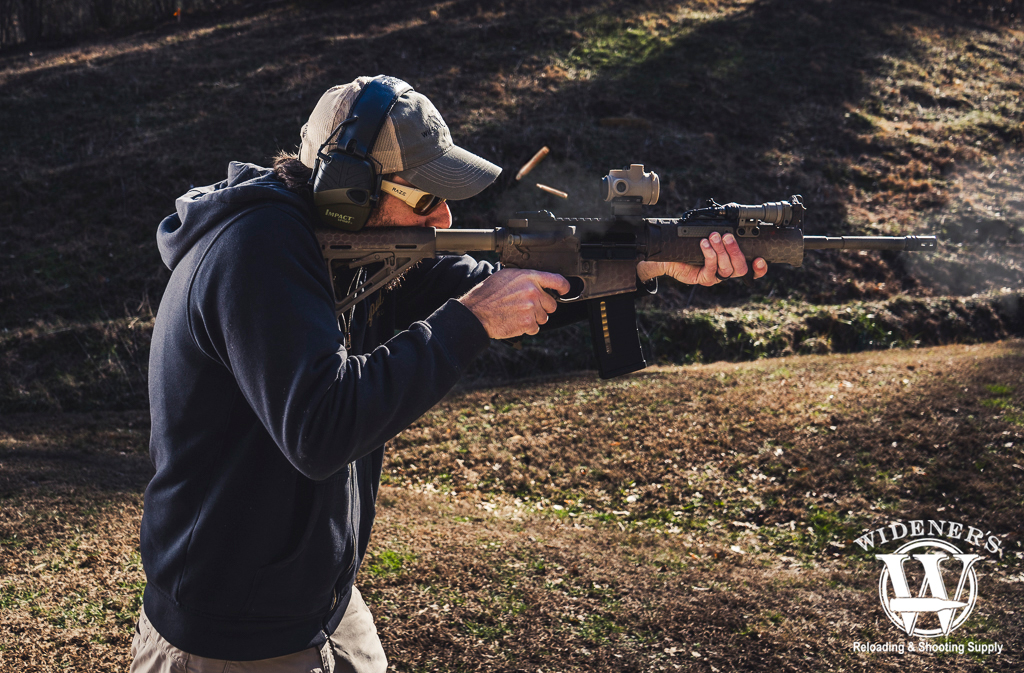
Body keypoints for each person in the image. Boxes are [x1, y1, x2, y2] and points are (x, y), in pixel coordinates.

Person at [132, 75, 767, 673]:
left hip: (314, 601)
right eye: (427, 198)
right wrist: (470, 322)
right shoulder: (257, 251)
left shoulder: (352, 250)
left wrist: (652, 266)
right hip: (229, 632)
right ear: (347, 192)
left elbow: (505, 290)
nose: (443, 220)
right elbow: (319, 430)